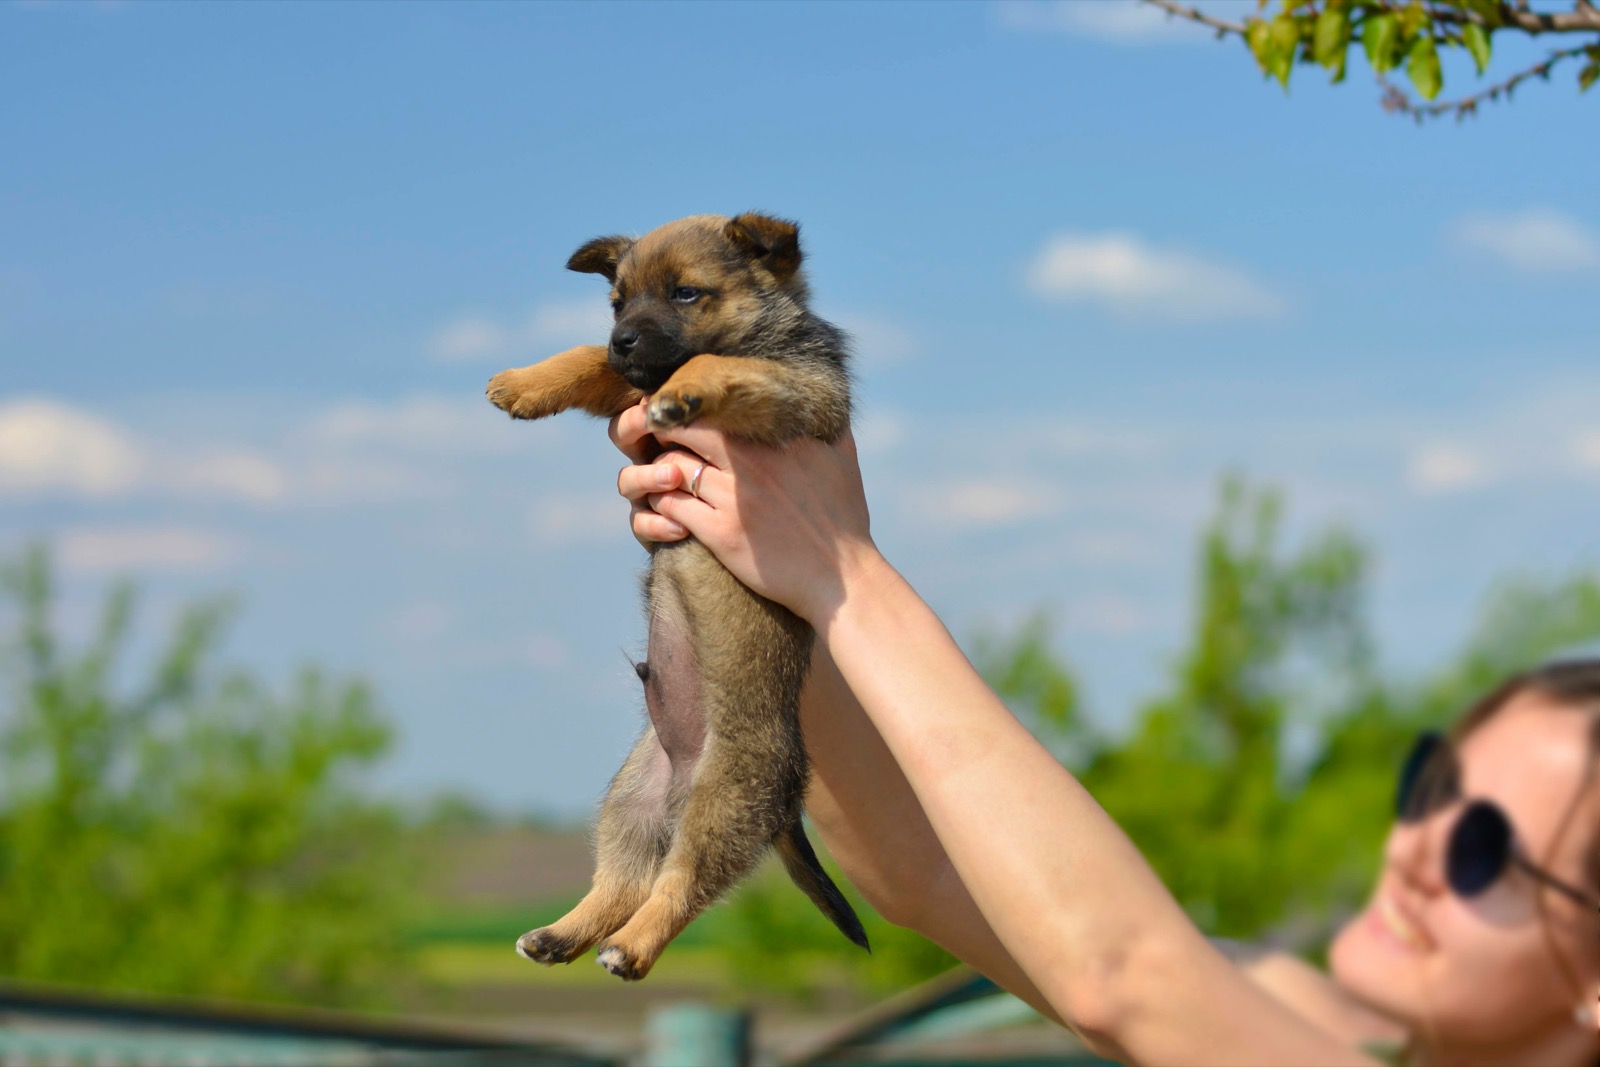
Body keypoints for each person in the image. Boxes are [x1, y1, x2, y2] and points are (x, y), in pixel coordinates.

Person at [607, 400, 1600, 1067]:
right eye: (1430, 784)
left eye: (1484, 849)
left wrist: (842, 573)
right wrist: (753, 562)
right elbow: (921, 866)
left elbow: (1121, 973)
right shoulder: (1304, 1011)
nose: (1416, 846)